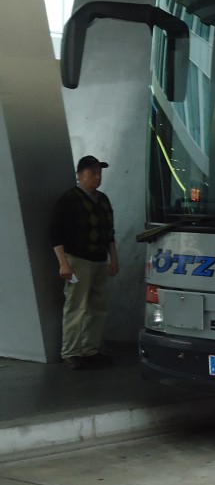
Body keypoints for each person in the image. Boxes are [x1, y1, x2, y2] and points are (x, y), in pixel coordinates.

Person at [50, 155, 118, 370]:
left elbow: (109, 233)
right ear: (80, 175)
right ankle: (71, 352)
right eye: (92, 173)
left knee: (98, 307)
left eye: (99, 172)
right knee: (76, 306)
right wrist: (63, 263)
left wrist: (113, 258)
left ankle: (90, 350)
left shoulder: (103, 200)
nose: (97, 177)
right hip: (77, 258)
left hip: (99, 258)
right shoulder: (69, 199)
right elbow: (55, 233)